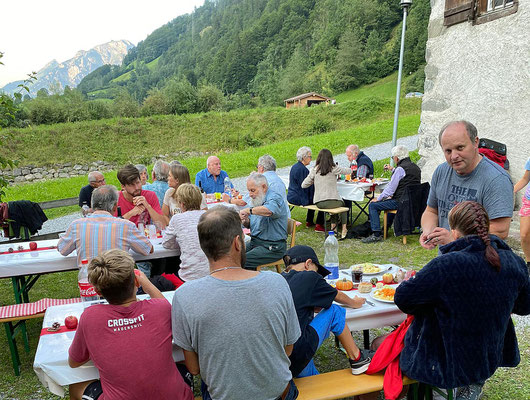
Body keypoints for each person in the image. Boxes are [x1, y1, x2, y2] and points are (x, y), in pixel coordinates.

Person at [395, 201, 530, 399]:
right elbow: (525, 306)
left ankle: (443, 391)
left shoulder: (446, 265)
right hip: (487, 351)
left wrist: (407, 282)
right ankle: (472, 383)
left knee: (382, 345)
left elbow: (404, 299)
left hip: (444, 356)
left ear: (454, 232)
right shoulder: (513, 261)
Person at [171, 206, 301, 400]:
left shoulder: (184, 295)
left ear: (204, 247)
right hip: (277, 394)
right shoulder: (277, 282)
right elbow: (288, 349)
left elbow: (194, 368)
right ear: (238, 243)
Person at [68, 249, 194, 400]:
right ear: (136, 281)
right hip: (176, 396)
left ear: (97, 291)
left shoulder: (90, 317)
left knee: (76, 385)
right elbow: (164, 305)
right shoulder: (159, 308)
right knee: (178, 362)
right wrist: (147, 285)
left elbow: (74, 362)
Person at [281, 245, 373, 378]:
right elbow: (338, 296)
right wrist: (355, 302)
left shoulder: (281, 279)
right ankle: (357, 358)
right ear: (308, 264)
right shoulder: (309, 277)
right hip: (297, 350)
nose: (317, 275)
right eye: (317, 271)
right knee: (335, 311)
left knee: (311, 377)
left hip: (281, 356)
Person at [420, 120, 513, 249]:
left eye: (460, 148)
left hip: (480, 261)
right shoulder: (441, 171)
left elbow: (501, 229)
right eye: (448, 151)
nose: (454, 156)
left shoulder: (496, 179)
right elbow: (431, 211)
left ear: (475, 142)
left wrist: (457, 239)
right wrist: (428, 231)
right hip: (448, 258)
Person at [58, 185, 153, 267]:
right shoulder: (126, 226)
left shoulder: (76, 225)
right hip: (119, 283)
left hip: (89, 283)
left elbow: (62, 249)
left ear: (92, 204)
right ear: (115, 206)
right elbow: (148, 249)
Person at [361, 145, 421, 243]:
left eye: (393, 158)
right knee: (389, 202)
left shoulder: (400, 169)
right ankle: (384, 229)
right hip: (414, 201)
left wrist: (379, 198)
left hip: (401, 202)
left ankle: (376, 234)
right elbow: (406, 178)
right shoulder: (416, 167)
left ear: (396, 158)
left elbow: (390, 190)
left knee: (373, 205)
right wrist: (393, 170)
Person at [240, 173, 289, 270]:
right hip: (256, 242)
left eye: (253, 190)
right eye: (249, 190)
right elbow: (253, 224)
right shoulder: (258, 199)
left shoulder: (274, 198)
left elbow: (269, 211)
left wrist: (249, 210)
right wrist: (245, 221)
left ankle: (251, 283)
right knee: (231, 257)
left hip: (273, 247)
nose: (250, 194)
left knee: (243, 260)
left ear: (264, 187)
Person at [162, 183, 209, 281]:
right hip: (211, 271)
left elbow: (166, 244)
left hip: (189, 275)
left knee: (166, 271)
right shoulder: (208, 216)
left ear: (181, 203)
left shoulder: (177, 218)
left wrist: (183, 242)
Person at [302, 148, 351, 238]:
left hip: (319, 202)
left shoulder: (314, 169)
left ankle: (334, 228)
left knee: (334, 206)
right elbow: (348, 171)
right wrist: (352, 168)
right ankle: (344, 228)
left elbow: (304, 185)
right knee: (344, 205)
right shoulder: (334, 168)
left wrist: (314, 181)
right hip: (331, 200)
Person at [287, 147, 325, 231]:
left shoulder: (295, 166)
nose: (311, 159)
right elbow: (306, 187)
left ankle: (309, 220)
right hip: (298, 197)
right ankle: (319, 224)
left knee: (313, 197)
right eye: (310, 157)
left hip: (291, 195)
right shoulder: (303, 170)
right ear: (304, 157)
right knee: (322, 200)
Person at [514, 157, 530, 271]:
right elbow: (525, 179)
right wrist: (509, 190)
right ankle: (529, 262)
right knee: (524, 235)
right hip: (529, 200)